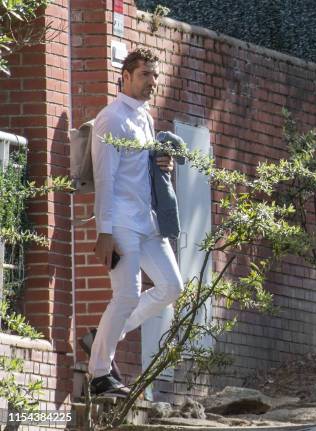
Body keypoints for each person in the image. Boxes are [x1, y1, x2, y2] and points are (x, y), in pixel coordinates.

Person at [83, 48, 183, 397]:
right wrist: (104, 232)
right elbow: (105, 178)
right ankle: (99, 375)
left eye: (155, 76)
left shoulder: (145, 118)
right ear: (125, 77)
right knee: (126, 294)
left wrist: (162, 164)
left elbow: (142, 169)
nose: (152, 83)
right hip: (121, 222)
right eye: (145, 75)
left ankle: (105, 336)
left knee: (172, 286)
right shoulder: (111, 120)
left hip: (148, 221)